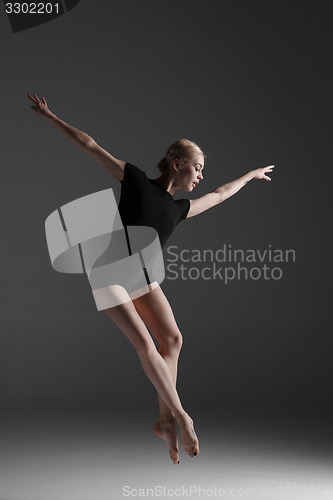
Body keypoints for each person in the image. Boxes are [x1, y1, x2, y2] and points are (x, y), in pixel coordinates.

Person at [27, 93, 275, 465]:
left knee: (173, 339)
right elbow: (91, 146)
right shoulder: (137, 180)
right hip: (107, 271)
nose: (201, 176)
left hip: (140, 275)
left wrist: (251, 176)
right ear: (177, 163)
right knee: (144, 342)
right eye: (197, 168)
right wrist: (51, 117)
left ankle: (163, 420)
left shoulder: (179, 209)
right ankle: (182, 416)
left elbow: (221, 194)